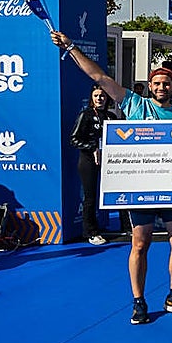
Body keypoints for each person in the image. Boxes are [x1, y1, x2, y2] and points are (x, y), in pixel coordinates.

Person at [50, 29, 172, 324]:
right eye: (157, 83)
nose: (161, 87)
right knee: (140, 244)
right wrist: (70, 46)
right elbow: (99, 77)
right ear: (150, 86)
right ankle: (139, 301)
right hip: (141, 187)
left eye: (166, 83)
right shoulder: (134, 104)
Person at [69, 84, 121, 245]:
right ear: (92, 98)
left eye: (103, 96)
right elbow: (74, 139)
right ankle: (91, 232)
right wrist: (92, 148)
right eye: (96, 95)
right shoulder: (85, 114)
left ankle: (126, 226)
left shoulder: (111, 116)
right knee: (90, 197)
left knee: (119, 192)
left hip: (109, 161)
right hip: (88, 160)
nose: (100, 98)